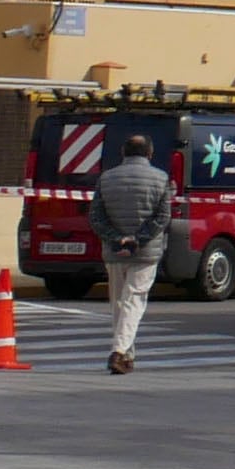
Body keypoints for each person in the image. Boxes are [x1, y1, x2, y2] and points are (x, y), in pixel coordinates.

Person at [89, 132, 176, 375]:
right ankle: (119, 351)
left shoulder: (106, 179)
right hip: (145, 251)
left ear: (123, 153)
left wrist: (117, 238)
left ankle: (126, 355)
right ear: (150, 153)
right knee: (133, 301)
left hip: (115, 251)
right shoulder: (160, 179)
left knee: (119, 303)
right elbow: (162, 217)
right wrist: (139, 239)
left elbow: (96, 217)